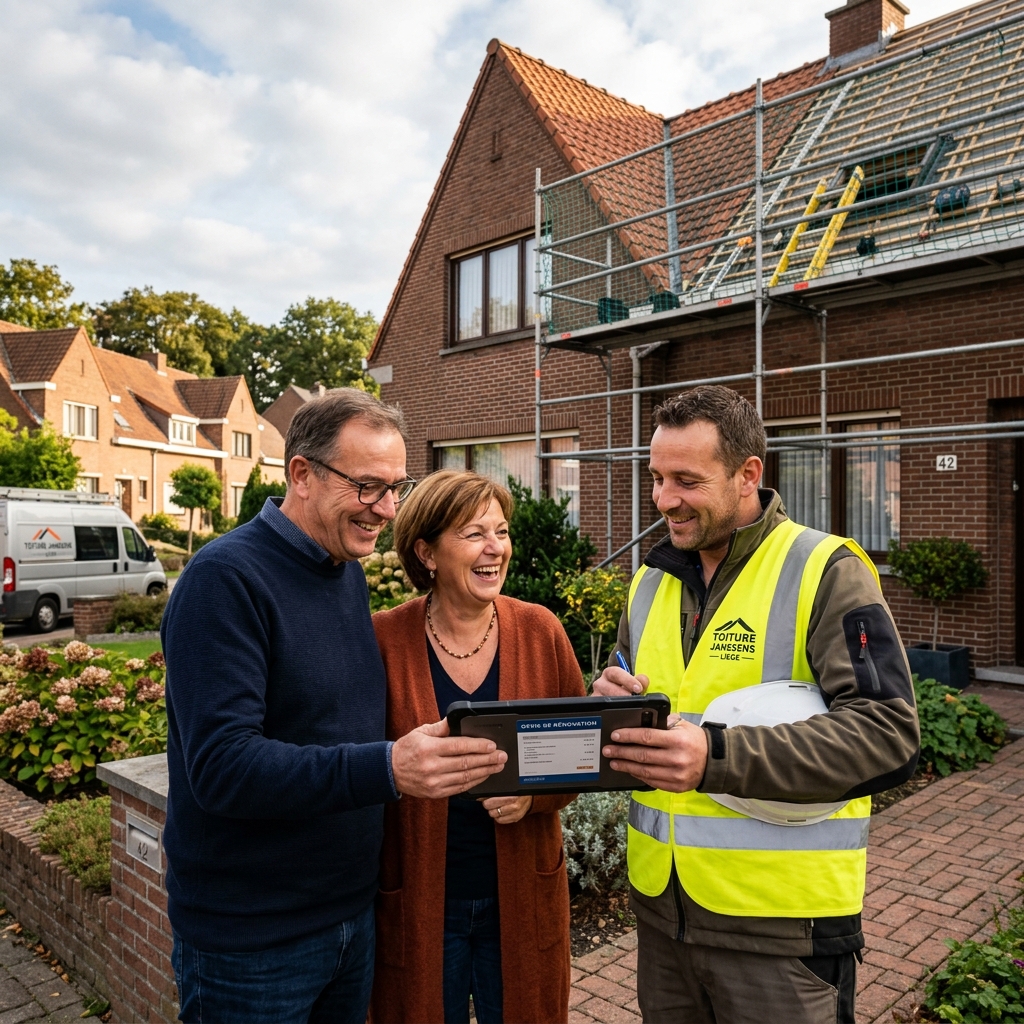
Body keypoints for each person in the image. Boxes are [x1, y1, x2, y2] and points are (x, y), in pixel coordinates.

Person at [161, 392, 508, 1024]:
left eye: (396, 488)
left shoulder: (341, 569)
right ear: (301, 474)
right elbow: (222, 768)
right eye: (368, 487)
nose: (387, 510)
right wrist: (388, 769)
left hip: (352, 918)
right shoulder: (225, 580)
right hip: (255, 941)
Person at [593, 386, 920, 1024]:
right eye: (656, 478)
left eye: (686, 480)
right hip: (663, 916)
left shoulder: (825, 569)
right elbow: (644, 695)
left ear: (748, 475)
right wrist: (609, 706)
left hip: (781, 933)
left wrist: (714, 755)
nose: (664, 500)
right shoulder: (649, 580)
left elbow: (888, 734)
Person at [369, 470, 585, 1024]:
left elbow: (582, 755)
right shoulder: (383, 642)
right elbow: (358, 766)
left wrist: (531, 799)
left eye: (502, 531)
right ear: (427, 552)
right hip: (419, 901)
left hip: (520, 895)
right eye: (473, 534)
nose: (496, 548)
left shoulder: (541, 631)